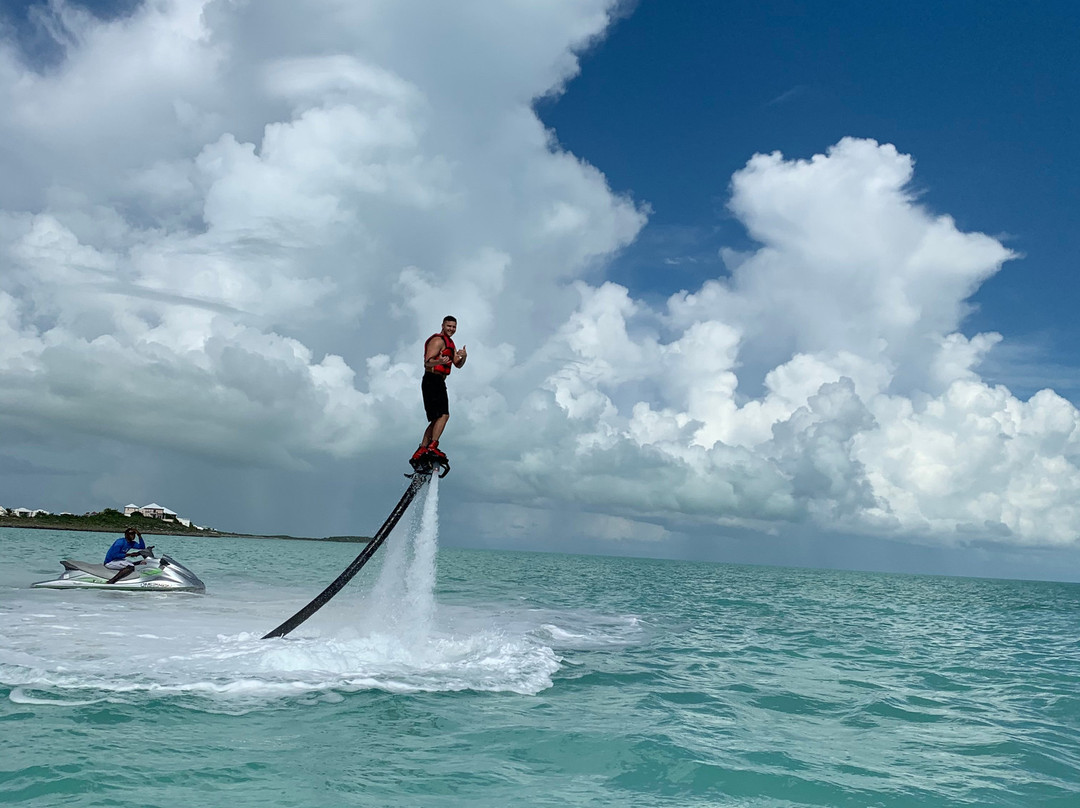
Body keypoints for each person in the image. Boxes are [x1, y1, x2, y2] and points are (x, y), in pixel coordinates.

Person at [411, 315, 466, 466]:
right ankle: (432, 446)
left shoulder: (450, 343)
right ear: (442, 325)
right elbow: (427, 362)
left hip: (439, 381)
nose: (451, 329)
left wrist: (463, 357)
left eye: (454, 327)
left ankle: (421, 451)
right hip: (432, 379)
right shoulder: (437, 341)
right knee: (444, 415)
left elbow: (457, 364)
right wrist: (439, 361)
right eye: (449, 326)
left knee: (437, 419)